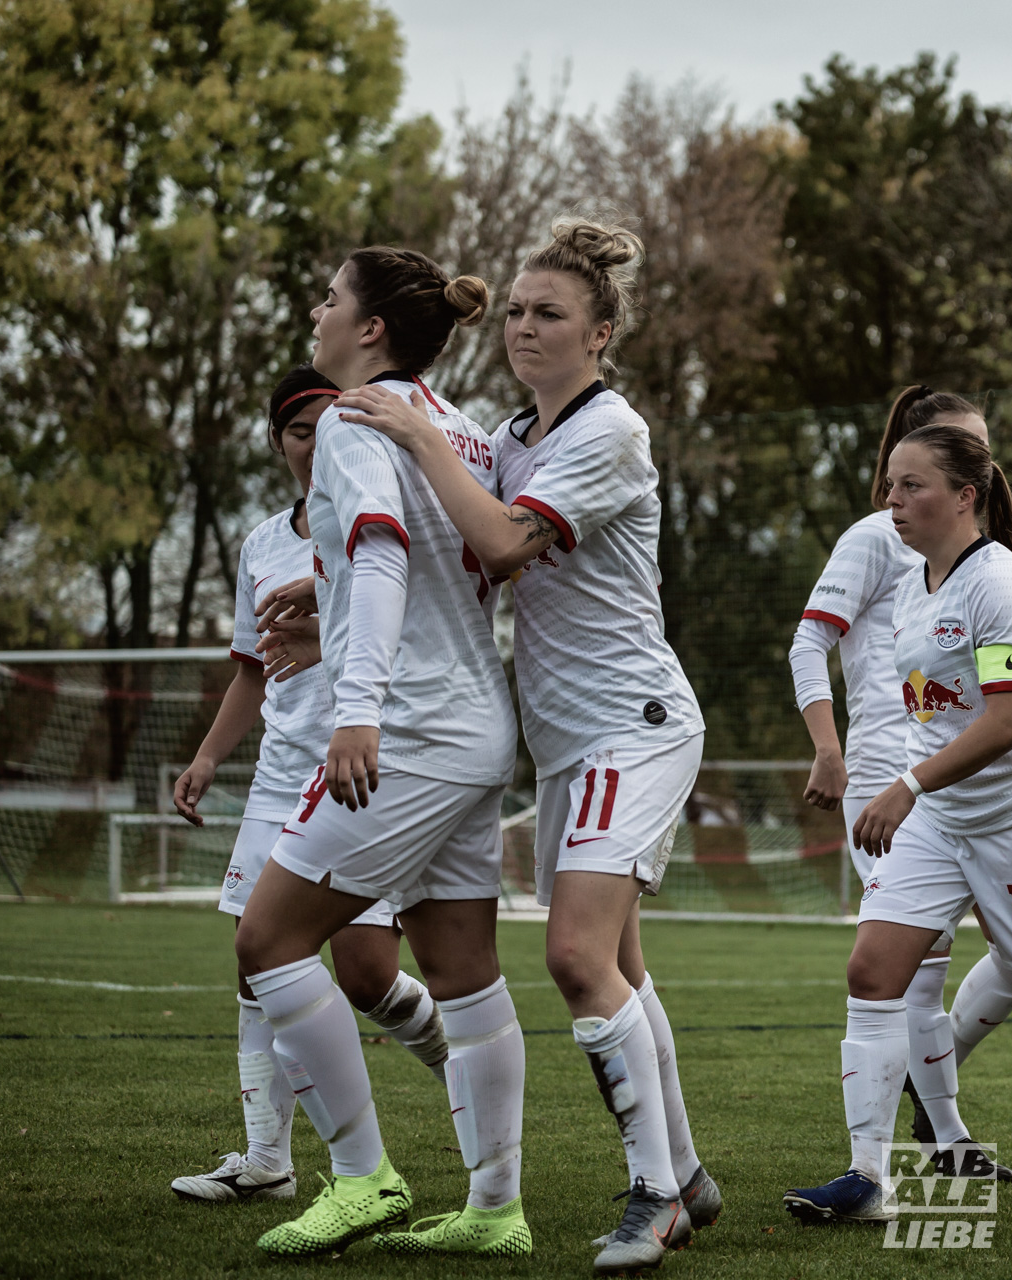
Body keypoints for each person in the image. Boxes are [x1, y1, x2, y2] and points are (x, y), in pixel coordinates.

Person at [337, 219, 716, 1273]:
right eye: (512, 310)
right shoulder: (512, 436)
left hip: (628, 725)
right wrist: (315, 587)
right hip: (565, 740)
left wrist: (415, 432)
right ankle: (682, 1170)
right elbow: (453, 536)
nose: (522, 327)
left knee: (574, 956)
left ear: (599, 333)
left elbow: (500, 541)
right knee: (621, 967)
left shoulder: (610, 432)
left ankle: (656, 1199)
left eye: (549, 313)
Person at [232, 248, 530, 1259]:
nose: (317, 309)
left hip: (405, 728)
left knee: (267, 939)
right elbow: (451, 575)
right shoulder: (464, 433)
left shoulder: (359, 420)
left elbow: (383, 553)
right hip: (478, 721)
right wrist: (331, 621)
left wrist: (354, 708)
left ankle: (364, 1176)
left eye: (330, 297)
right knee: (462, 967)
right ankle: (496, 1208)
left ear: (368, 330)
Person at [783, 424, 1012, 1222]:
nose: (893, 500)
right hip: (941, 823)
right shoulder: (917, 580)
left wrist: (906, 785)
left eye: (911, 486)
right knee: (872, 974)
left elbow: (1009, 724)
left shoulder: (1001, 584)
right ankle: (868, 1178)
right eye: (890, 485)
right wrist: (918, 791)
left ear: (965, 496)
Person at [167, 368, 451, 1206]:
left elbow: (418, 628)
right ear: (281, 444)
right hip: (280, 776)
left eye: (329, 424)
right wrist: (210, 758)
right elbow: (254, 670)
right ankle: (269, 1160)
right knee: (255, 962)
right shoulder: (263, 543)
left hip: (365, 771)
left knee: (366, 976)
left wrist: (335, 641)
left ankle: (461, 1062)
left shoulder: (386, 517)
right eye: (300, 432)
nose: (317, 443)